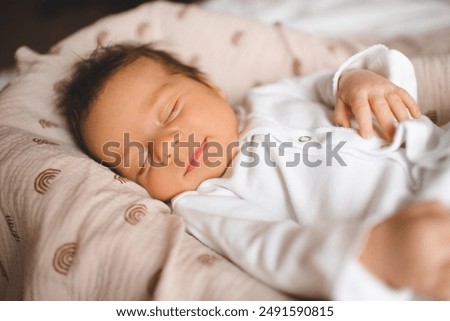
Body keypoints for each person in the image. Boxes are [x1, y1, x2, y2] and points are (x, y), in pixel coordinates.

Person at [57, 43, 450, 300]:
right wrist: (368, 254)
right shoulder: (205, 202)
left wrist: (359, 81)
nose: (165, 147)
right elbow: (270, 246)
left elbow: (333, 85)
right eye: (140, 159)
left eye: (171, 111)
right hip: (406, 225)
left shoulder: (270, 96)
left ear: (210, 86)